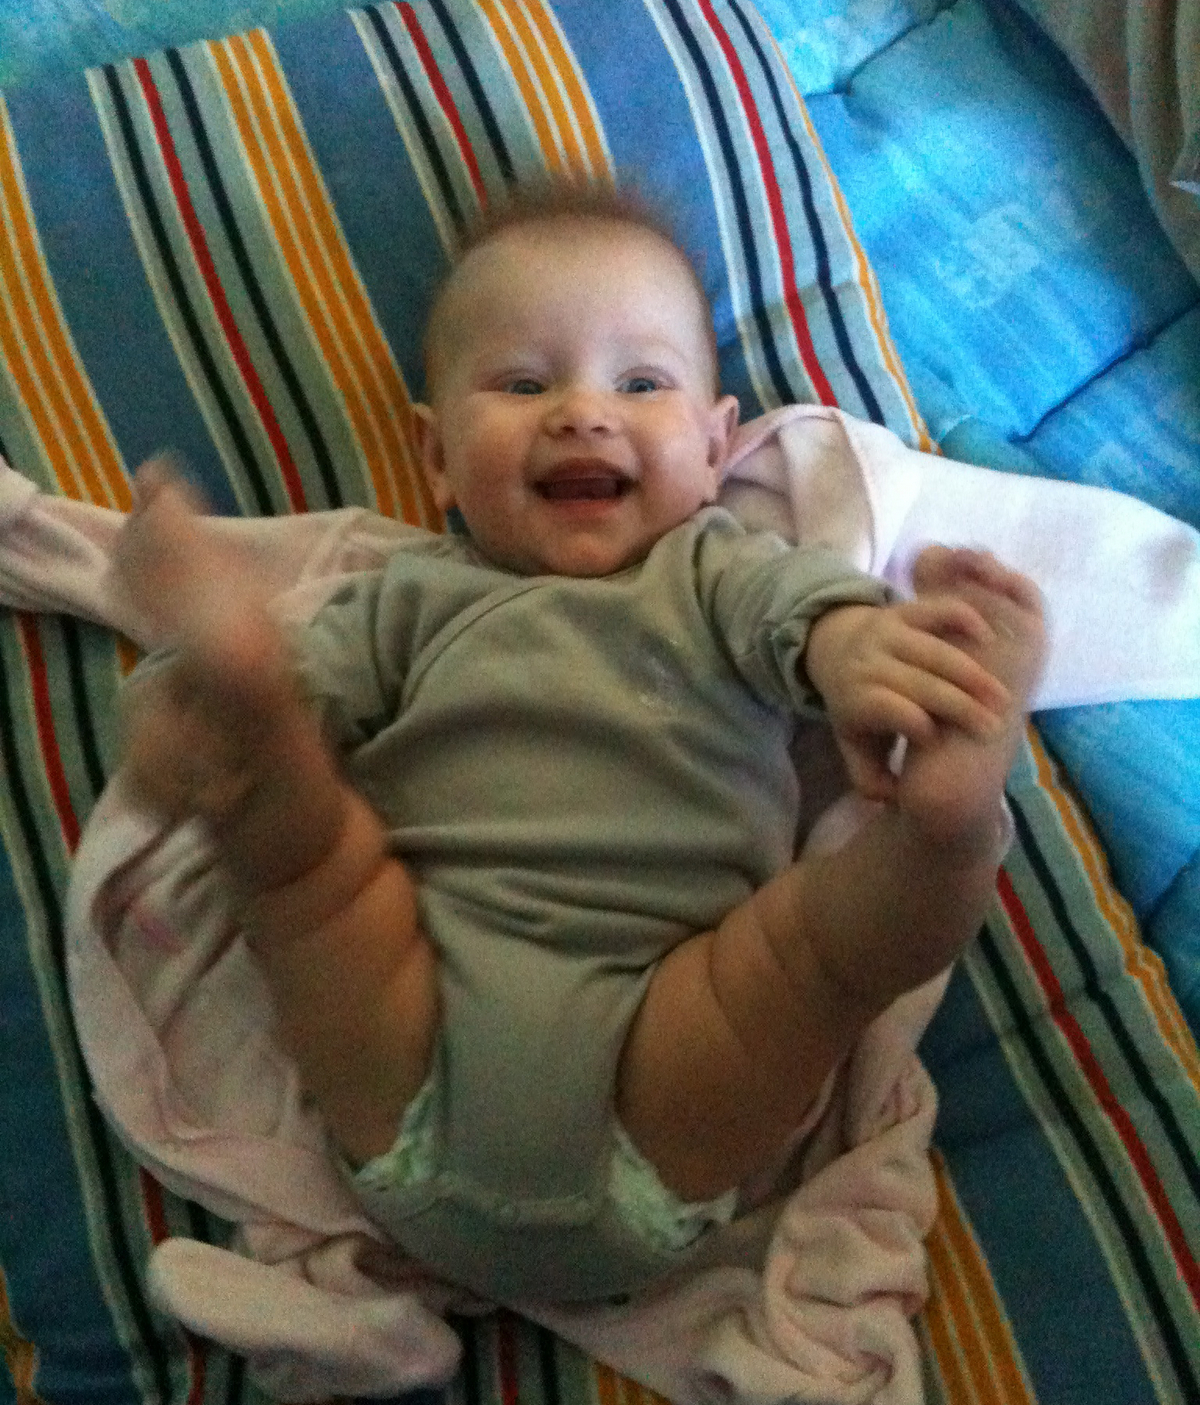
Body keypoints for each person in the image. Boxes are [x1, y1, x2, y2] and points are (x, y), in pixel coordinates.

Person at [115, 183, 1045, 1305]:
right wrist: (234, 728)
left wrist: (856, 651)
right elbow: (322, 691)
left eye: (641, 383)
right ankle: (233, 712)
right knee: (309, 864)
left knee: (819, 952)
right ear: (437, 457)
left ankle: (948, 828)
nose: (582, 414)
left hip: (671, 1050)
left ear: (717, 446)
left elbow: (800, 612)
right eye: (522, 384)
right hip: (414, 1035)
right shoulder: (408, 598)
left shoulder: (711, 569)